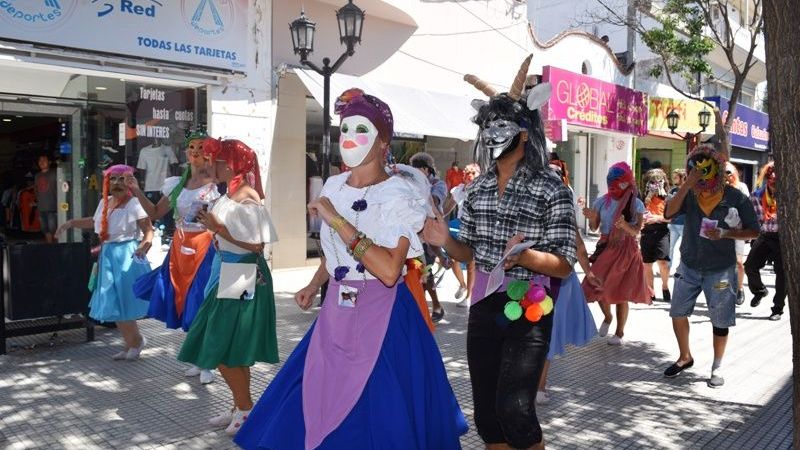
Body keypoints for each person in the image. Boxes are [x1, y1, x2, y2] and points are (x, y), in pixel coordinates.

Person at [235, 88, 467, 449]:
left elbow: (389, 271)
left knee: (376, 414)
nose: (348, 137)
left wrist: (337, 220)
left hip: (384, 318)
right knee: (316, 398)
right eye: (344, 129)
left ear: (383, 141)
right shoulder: (334, 185)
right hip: (336, 314)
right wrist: (315, 283)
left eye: (360, 129)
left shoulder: (399, 194)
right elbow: (335, 255)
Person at [423, 56, 576, 450]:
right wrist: (444, 239)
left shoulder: (551, 188)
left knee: (516, 410)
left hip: (530, 306)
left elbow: (563, 264)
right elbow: (468, 251)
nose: (492, 133)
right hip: (484, 305)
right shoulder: (476, 189)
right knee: (488, 418)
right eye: (487, 126)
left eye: (502, 125)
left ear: (524, 133)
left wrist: (525, 257)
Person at [176, 138, 279, 435]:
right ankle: (240, 406)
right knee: (230, 346)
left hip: (241, 271)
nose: (211, 164)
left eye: (217, 160)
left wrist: (218, 228)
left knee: (220, 345)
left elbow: (257, 246)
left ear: (232, 165)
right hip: (228, 270)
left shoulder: (246, 197)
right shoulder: (231, 192)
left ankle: (244, 408)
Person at [662, 144, 759, 388]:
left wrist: (726, 233)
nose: (700, 176)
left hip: (720, 268)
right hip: (689, 264)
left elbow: (754, 231)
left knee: (720, 319)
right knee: (677, 312)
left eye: (704, 170)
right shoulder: (691, 193)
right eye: (694, 169)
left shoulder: (735, 197)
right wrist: (687, 184)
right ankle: (685, 357)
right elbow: (668, 213)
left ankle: (717, 366)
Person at [129, 128, 221, 385]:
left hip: (206, 247)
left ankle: (208, 361)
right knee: (183, 300)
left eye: (201, 148)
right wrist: (136, 190)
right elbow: (155, 213)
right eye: (192, 147)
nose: (196, 152)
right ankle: (198, 358)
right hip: (180, 248)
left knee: (200, 302)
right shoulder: (176, 184)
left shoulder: (216, 184)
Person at [56, 165, 153, 360]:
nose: (117, 183)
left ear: (130, 182)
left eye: (122, 179)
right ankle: (131, 343)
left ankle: (135, 342)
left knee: (124, 302)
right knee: (112, 301)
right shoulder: (104, 202)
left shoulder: (135, 203)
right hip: (107, 254)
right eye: (113, 179)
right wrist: (71, 223)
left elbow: (148, 231)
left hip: (126, 255)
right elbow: (94, 222)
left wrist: (143, 247)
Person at [536, 163, 599, 405]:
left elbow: (579, 246)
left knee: (542, 333)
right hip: (547, 280)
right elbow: (579, 246)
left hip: (550, 281)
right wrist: (589, 273)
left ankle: (538, 386)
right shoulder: (560, 209)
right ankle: (538, 386)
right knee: (545, 333)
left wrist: (589, 273)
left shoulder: (547, 207)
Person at [582, 162, 652, 345]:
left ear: (627, 182)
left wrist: (625, 226)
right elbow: (594, 228)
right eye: (611, 182)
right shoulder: (601, 202)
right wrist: (592, 218)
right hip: (606, 248)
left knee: (622, 292)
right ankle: (607, 317)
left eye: (619, 182)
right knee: (596, 285)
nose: (614, 186)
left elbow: (636, 231)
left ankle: (619, 333)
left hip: (627, 251)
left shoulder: (636, 203)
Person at [410, 151, 449, 323]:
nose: (414, 173)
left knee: (424, 272)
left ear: (426, 169)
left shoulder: (437, 185)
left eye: (418, 169)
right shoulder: (411, 183)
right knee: (419, 272)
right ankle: (430, 307)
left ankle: (432, 307)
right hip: (413, 236)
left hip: (430, 237)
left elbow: (434, 201)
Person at [745, 162, 785, 320]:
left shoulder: (790, 195)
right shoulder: (756, 196)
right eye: (770, 175)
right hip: (766, 235)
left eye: (776, 174)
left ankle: (777, 309)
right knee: (750, 266)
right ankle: (760, 290)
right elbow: (755, 219)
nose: (773, 177)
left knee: (782, 274)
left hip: (783, 239)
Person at [444, 162, 481, 308]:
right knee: (453, 259)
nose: (469, 176)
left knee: (471, 265)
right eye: (467, 173)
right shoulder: (459, 190)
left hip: (475, 228)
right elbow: (447, 208)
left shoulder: (483, 190)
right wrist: (436, 217)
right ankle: (462, 284)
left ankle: (468, 297)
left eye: (473, 173)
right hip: (459, 226)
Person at [640, 168, 671, 302]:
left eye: (658, 181)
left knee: (663, 262)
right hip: (646, 233)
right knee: (647, 264)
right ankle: (650, 291)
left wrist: (657, 218)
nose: (655, 185)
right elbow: (637, 213)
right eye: (651, 182)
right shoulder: (642, 197)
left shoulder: (667, 197)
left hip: (661, 232)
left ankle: (665, 286)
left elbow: (671, 218)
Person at [724, 162, 751, 305]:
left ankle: (740, 288)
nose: (727, 176)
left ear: (735, 173)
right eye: (723, 173)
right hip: (721, 229)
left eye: (729, 172)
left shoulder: (741, 187)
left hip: (738, 229)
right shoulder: (717, 188)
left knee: (738, 262)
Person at [35, 155, 58, 243]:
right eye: (40, 160)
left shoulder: (55, 173)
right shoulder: (37, 175)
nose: (41, 162)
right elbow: (36, 189)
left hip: (52, 207)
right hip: (41, 207)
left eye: (44, 160)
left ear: (49, 162)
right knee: (45, 230)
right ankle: (49, 248)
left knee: (54, 230)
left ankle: (57, 248)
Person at [667, 169, 687, 272]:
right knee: (670, 247)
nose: (673, 179)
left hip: (684, 224)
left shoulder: (688, 190)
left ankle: (681, 269)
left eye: (676, 177)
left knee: (683, 248)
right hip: (673, 224)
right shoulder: (672, 190)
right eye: (673, 177)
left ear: (682, 178)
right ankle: (668, 268)